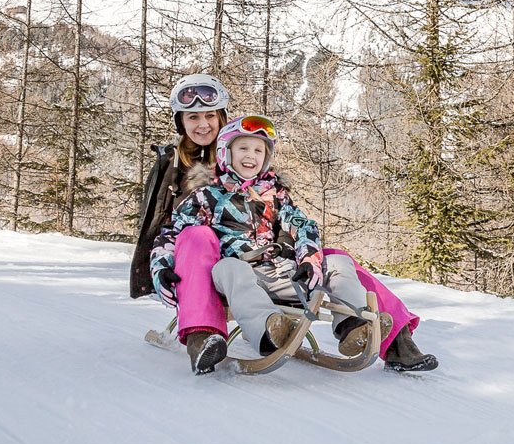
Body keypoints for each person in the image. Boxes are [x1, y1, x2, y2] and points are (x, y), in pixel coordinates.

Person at [131, 75, 438, 374]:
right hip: (207, 265)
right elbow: (164, 228)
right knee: (199, 238)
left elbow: (285, 216)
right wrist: (161, 267)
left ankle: (386, 335)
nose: (202, 124)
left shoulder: (252, 157)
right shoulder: (175, 168)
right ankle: (204, 335)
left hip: (270, 260)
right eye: (192, 117)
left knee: (336, 260)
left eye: (210, 115)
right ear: (181, 122)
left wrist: (296, 248)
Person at [149, 116, 382, 371]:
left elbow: (304, 226)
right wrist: (162, 267)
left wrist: (308, 259)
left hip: (281, 272)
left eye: (259, 150)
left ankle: (354, 326)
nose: (252, 155)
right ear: (226, 153)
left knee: (338, 262)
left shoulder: (277, 195)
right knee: (229, 267)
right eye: (244, 148)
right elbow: (172, 234)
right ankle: (268, 331)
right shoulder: (206, 195)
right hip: (238, 276)